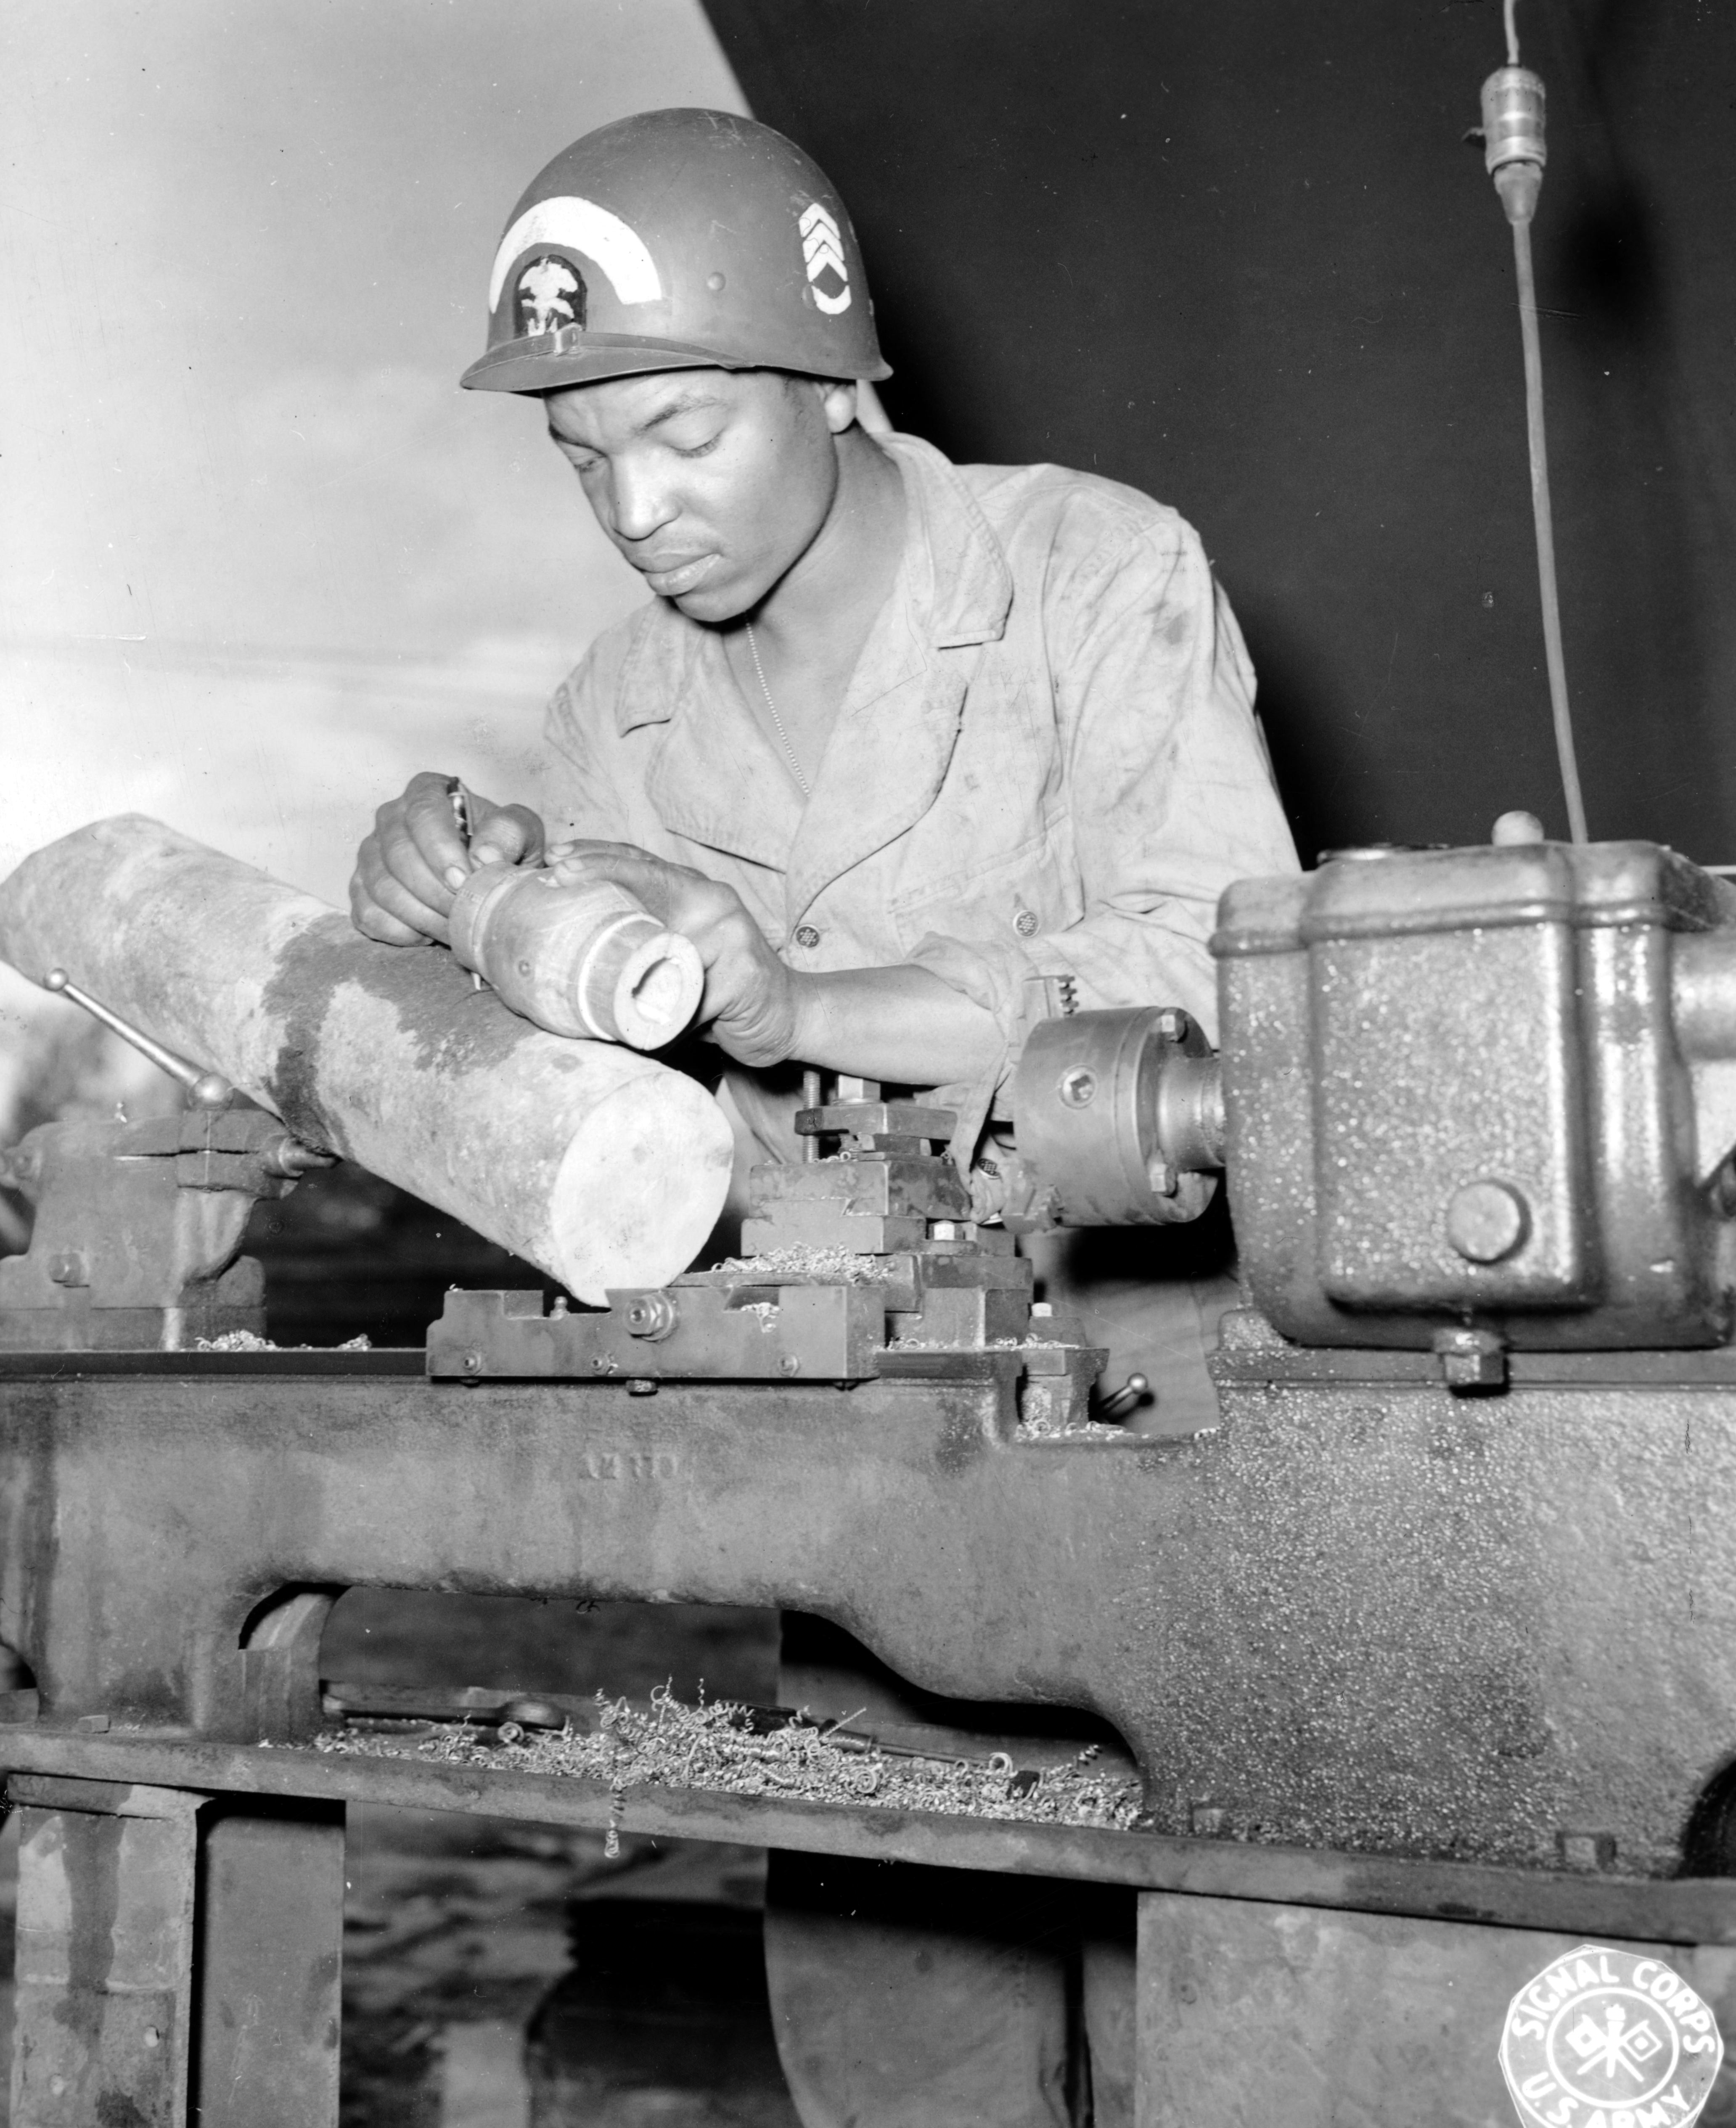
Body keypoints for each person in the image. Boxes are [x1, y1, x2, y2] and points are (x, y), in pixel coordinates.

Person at [352, 106, 1298, 2128]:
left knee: (1223, 2043)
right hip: (874, 1512)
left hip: (1178, 1447)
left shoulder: (1087, 574)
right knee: (901, 2067)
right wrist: (452, 925)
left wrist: (804, 1002)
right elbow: (595, 1118)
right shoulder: (616, 711)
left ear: (834, 373)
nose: (635, 506)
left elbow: (1215, 973)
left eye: (684, 431)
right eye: (582, 455)